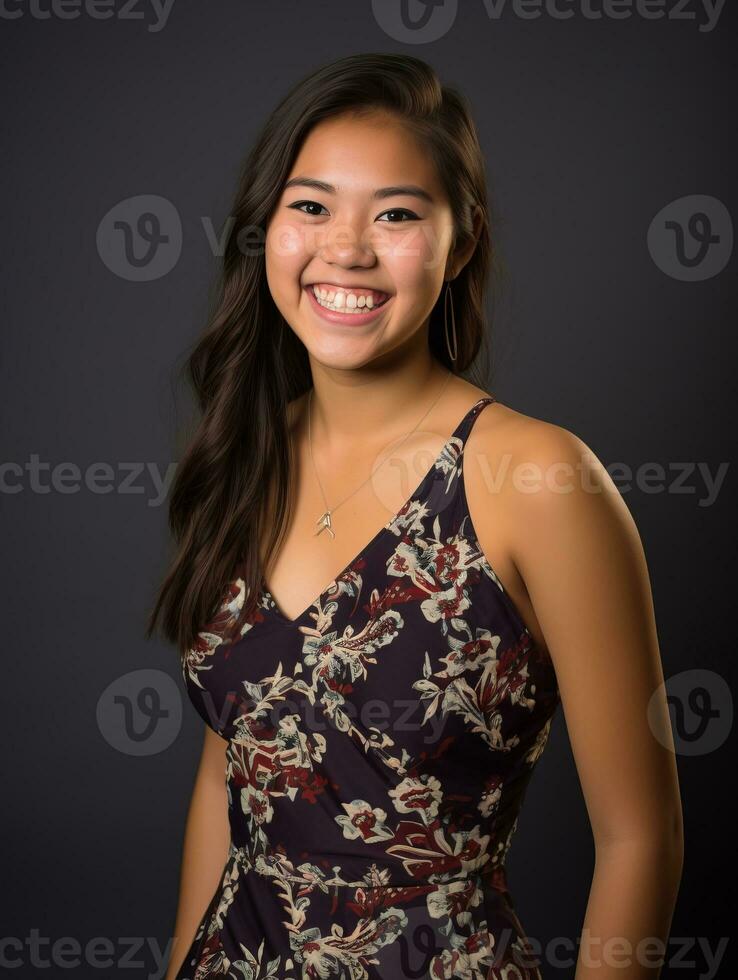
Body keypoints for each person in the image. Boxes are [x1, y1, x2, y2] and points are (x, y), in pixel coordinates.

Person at [148, 53, 684, 980]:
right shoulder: (245, 454)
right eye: (310, 206)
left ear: (462, 241)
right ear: (264, 228)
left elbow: (641, 835)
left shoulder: (537, 477)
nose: (346, 249)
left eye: (396, 214)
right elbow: (225, 776)